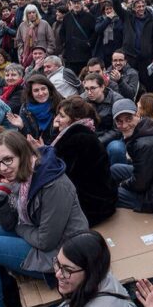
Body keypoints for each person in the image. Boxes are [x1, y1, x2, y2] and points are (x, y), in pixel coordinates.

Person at [0, 130, 88, 307]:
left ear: (23, 154)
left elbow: (45, 240)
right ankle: (6, 294)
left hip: (60, 253)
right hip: (36, 234)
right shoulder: (21, 177)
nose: (3, 168)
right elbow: (8, 224)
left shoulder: (54, 184)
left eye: (8, 160)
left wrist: (19, 227)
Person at [23, 230, 141, 307]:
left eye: (67, 270)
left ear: (90, 272)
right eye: (58, 264)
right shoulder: (104, 276)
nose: (58, 274)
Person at [51, 97, 117, 226]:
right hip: (101, 202)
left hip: (90, 209)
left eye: (62, 116)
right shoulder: (80, 134)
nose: (57, 119)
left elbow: (60, 175)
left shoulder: (77, 140)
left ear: (75, 119)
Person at [111, 0, 153, 92]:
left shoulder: (151, 20)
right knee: (130, 81)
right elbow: (117, 8)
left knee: (146, 82)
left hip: (145, 58)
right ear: (134, 9)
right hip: (130, 56)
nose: (141, 9)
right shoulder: (128, 17)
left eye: (143, 6)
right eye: (138, 7)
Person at [81, 73, 125, 164]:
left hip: (113, 137)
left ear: (102, 87)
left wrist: (98, 141)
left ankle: (117, 175)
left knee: (116, 148)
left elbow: (118, 130)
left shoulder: (117, 100)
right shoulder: (82, 99)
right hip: (90, 136)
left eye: (93, 88)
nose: (89, 92)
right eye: (86, 89)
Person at [6, 74, 61, 144]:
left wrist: (56, 130)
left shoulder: (60, 105)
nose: (41, 93)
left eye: (43, 89)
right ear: (31, 93)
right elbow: (27, 139)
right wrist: (22, 127)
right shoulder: (25, 109)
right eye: (36, 90)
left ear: (49, 89)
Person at [60, 0, 96, 76]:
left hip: (84, 54)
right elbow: (62, 32)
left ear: (82, 4)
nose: (76, 5)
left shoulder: (89, 17)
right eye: (74, 3)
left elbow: (94, 33)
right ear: (71, 4)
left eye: (78, 3)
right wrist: (65, 43)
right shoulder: (67, 17)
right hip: (70, 55)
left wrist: (89, 43)